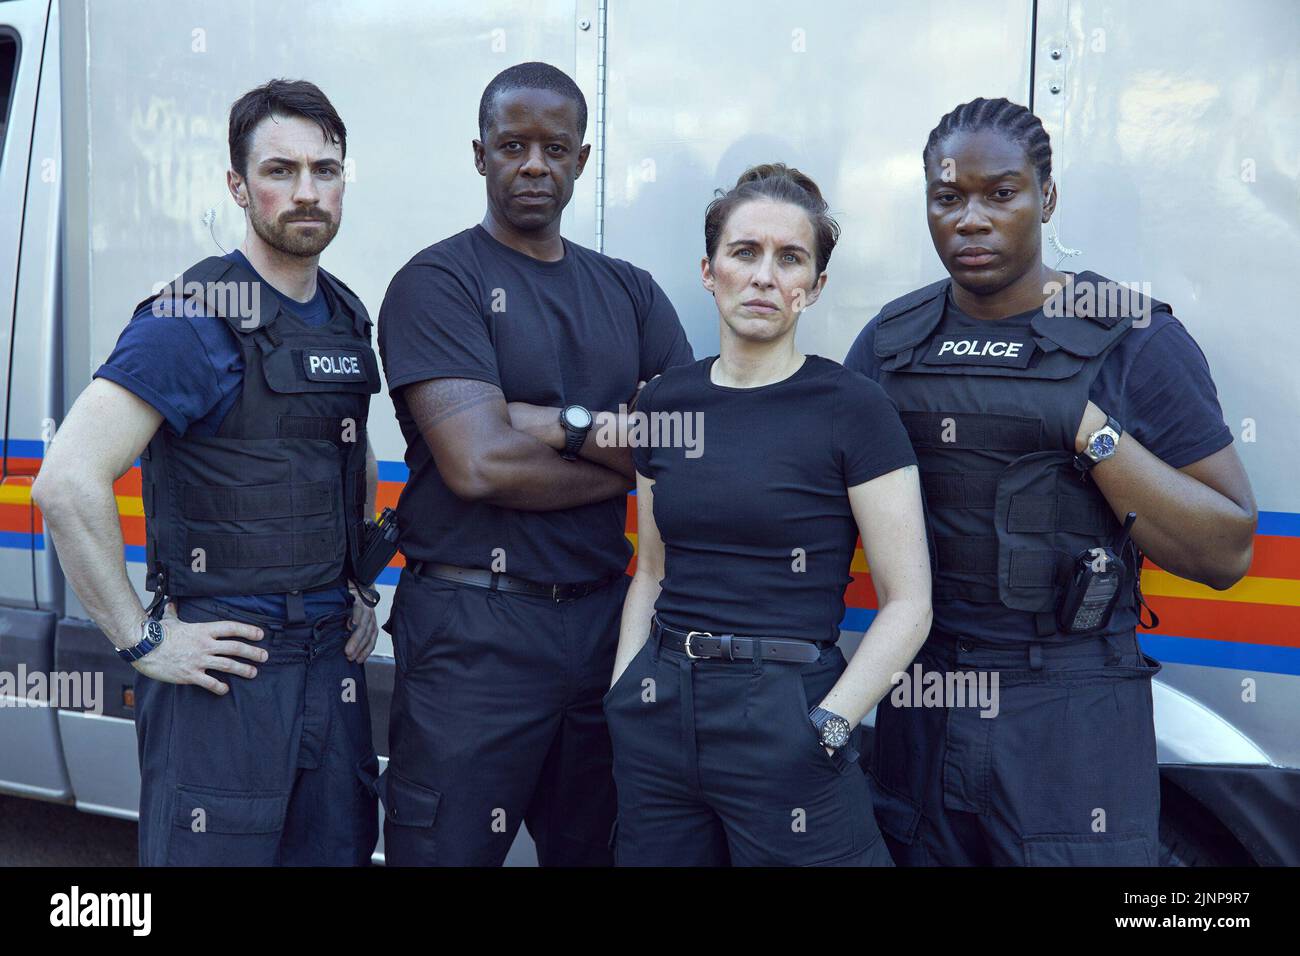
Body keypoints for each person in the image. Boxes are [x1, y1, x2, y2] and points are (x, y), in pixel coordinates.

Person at [844, 97, 1258, 866]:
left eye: (1001, 193)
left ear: (1047, 197)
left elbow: (1227, 550)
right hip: (926, 702)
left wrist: (1092, 432)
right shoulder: (892, 343)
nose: (971, 219)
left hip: (1069, 710)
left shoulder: (1132, 337)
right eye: (947, 197)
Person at [33, 80, 382, 866]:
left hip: (332, 664)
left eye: (325, 171)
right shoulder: (192, 315)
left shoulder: (347, 316)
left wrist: (357, 586)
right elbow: (66, 480)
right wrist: (143, 640)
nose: (306, 192)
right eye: (280, 170)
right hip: (228, 672)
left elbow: (347, 448)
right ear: (237, 185)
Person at [375, 62, 694, 866]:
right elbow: (479, 465)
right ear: (478, 153)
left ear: (581, 158)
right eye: (511, 144)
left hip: (605, 629)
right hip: (471, 636)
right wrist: (624, 456)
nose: (533, 165)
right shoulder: (438, 282)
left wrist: (552, 424)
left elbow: (684, 447)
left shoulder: (632, 292)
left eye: (554, 147)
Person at [605, 164, 932, 866]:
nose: (763, 276)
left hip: (787, 714)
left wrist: (830, 725)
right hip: (659, 713)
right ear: (709, 269)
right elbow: (651, 571)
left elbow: (910, 603)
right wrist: (624, 690)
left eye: (790, 259)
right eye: (744, 252)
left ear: (813, 288)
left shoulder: (854, 408)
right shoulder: (665, 402)